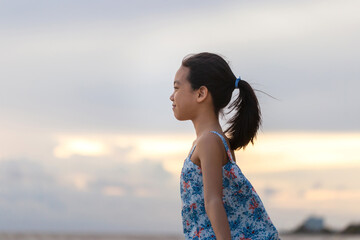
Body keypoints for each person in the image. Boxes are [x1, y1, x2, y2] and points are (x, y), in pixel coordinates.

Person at [169, 52, 280, 240]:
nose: (172, 97)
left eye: (177, 88)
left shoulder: (209, 141)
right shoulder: (213, 140)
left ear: (201, 93)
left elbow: (213, 201)